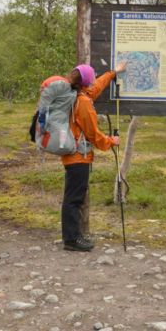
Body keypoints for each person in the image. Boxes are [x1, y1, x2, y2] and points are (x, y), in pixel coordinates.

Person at [57, 61, 126, 251]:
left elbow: (95, 87)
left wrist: (113, 73)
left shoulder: (75, 94)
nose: (95, 79)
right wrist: (112, 141)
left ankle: (73, 237)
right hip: (78, 156)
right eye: (92, 76)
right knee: (74, 199)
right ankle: (71, 240)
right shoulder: (84, 103)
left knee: (73, 196)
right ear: (86, 81)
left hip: (72, 154)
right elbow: (93, 134)